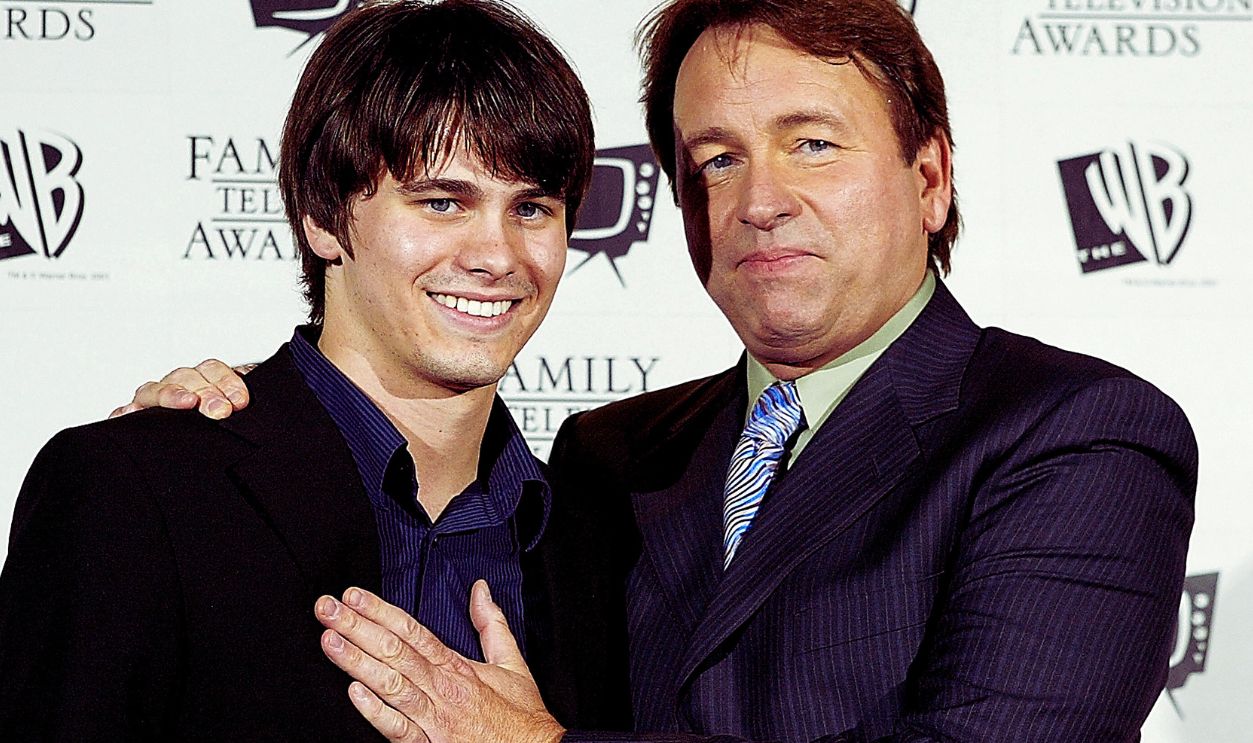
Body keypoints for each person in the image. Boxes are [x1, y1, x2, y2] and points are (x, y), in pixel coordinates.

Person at [108, 0, 1199, 741]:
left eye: (810, 142)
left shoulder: (1078, 434)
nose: (756, 198)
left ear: (928, 177)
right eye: (713, 159)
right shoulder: (604, 459)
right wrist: (227, 421)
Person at [0, 1, 594, 739]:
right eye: (442, 202)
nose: (498, 255)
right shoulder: (135, 490)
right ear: (322, 216)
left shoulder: (590, 538)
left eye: (532, 208)